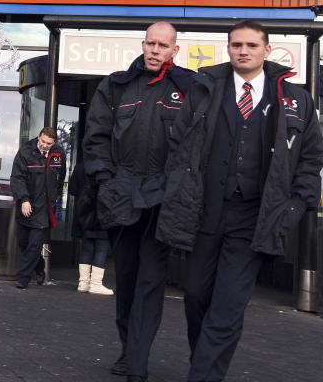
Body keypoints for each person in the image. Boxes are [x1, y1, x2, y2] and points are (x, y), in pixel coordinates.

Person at [157, 20, 323, 382]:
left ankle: (202, 376)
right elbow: (178, 147)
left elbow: (310, 160)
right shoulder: (204, 91)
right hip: (205, 213)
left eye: (251, 45)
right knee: (196, 296)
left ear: (267, 50)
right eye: (236, 45)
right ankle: (204, 361)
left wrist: (295, 207)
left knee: (228, 305)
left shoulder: (294, 99)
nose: (243, 51)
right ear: (228, 49)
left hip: (254, 218)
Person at [83, 21, 195, 382]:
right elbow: (95, 138)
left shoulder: (190, 89)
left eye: (163, 45)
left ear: (174, 51)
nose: (155, 50)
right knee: (127, 280)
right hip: (123, 198)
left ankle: (137, 361)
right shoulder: (115, 86)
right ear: (143, 44)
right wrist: (105, 180)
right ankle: (129, 347)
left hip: (163, 202)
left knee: (151, 280)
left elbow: (197, 145)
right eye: (151, 43)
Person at [10, 126, 65, 289]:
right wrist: (24, 199)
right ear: (39, 137)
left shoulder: (59, 154)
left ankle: (22, 278)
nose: (45, 145)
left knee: (35, 244)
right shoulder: (25, 152)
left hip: (45, 208)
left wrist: (55, 199)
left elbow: (60, 179)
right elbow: (17, 178)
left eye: (49, 143)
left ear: (54, 142)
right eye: (43, 141)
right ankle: (40, 268)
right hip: (27, 205)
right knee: (23, 242)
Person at [68, 159, 113, 295]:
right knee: (101, 248)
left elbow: (73, 190)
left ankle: (83, 283)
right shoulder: (108, 168)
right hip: (102, 213)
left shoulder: (80, 167)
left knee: (87, 248)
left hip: (84, 214)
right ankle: (96, 284)